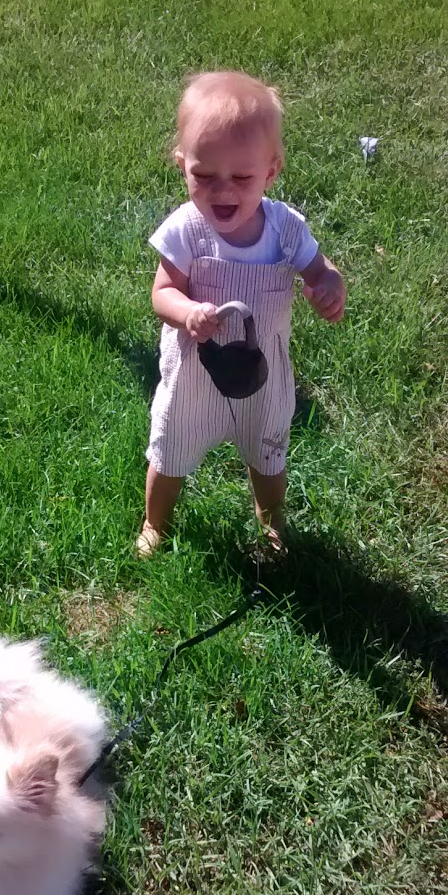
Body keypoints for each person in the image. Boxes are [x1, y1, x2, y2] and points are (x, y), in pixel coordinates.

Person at [138, 70, 346, 557]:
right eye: (204, 176)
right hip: (194, 373)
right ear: (182, 165)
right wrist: (187, 311)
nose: (223, 191)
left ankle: (271, 524)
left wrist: (329, 285)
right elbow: (162, 293)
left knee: (267, 453)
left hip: (263, 372)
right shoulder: (186, 230)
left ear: (271, 172)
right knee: (171, 449)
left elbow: (321, 268)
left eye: (242, 178)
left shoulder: (285, 230)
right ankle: (155, 523)